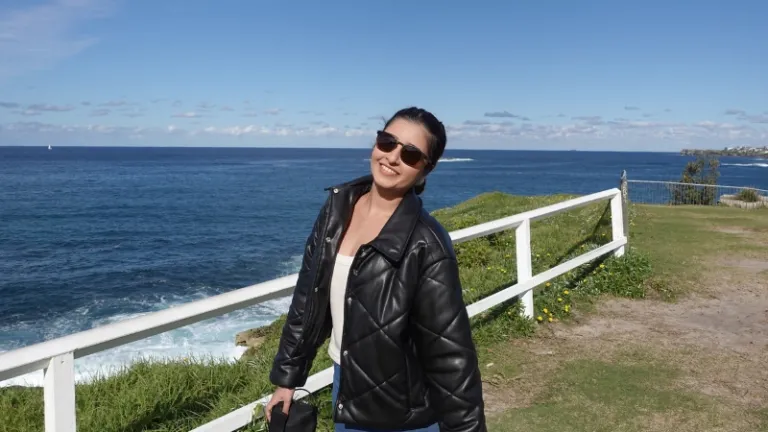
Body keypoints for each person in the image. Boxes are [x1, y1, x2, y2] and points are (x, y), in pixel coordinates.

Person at [265, 107, 486, 431]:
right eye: (387, 142)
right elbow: (307, 301)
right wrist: (287, 380)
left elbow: (451, 356)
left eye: (410, 154)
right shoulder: (336, 210)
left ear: (426, 170)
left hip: (403, 411)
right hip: (347, 390)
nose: (392, 157)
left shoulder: (426, 243)